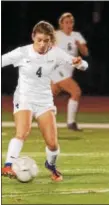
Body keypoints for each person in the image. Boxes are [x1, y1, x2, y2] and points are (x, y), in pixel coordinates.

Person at [1, 20, 88, 182]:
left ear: (51, 41)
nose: (42, 44)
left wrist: (80, 63)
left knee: (53, 144)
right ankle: (8, 165)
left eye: (46, 41)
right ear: (33, 37)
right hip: (24, 97)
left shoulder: (56, 53)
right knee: (22, 132)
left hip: (44, 101)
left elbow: (84, 65)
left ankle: (51, 165)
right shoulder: (23, 52)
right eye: (39, 40)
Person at [51, 12, 89, 131]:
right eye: (66, 22)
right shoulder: (56, 35)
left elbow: (85, 52)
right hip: (58, 70)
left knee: (49, 97)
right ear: (61, 24)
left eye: (71, 22)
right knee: (76, 91)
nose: (69, 25)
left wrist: (79, 45)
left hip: (68, 71)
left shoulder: (76, 35)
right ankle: (71, 122)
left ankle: (30, 115)